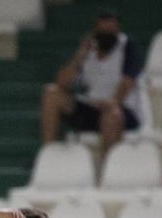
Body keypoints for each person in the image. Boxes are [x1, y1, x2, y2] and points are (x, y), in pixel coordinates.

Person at [39, 10, 144, 158]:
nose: (106, 34)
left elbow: (128, 82)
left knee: (111, 114)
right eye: (102, 30)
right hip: (90, 108)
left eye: (110, 30)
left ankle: (109, 172)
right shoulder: (88, 50)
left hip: (121, 109)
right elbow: (61, 82)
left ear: (118, 30)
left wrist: (113, 102)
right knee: (51, 93)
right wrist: (80, 55)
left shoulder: (128, 47)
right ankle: (47, 157)